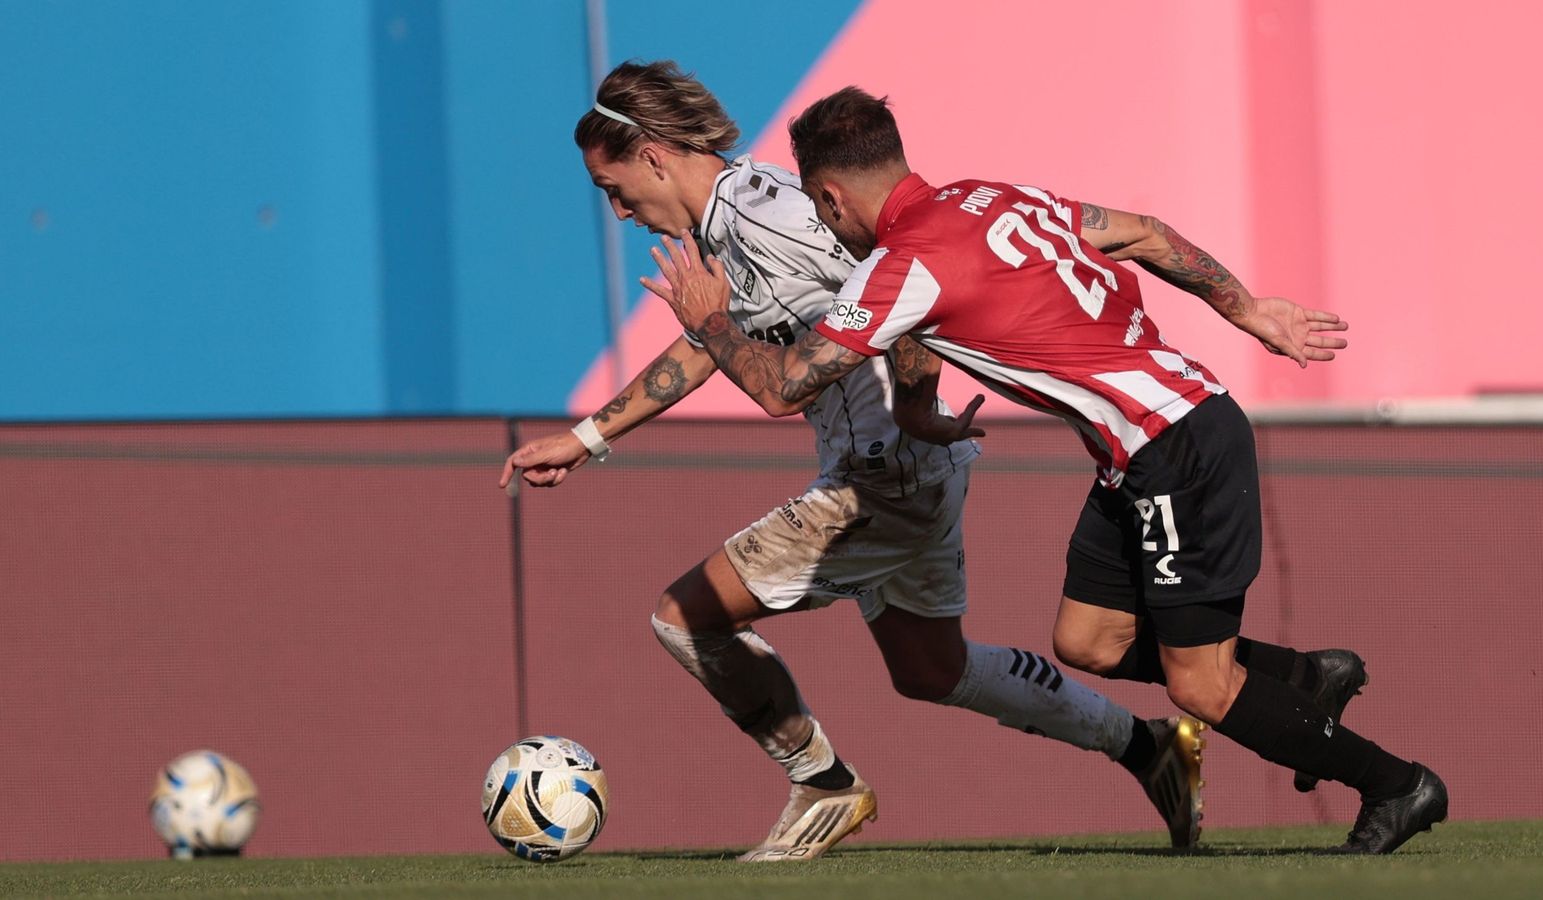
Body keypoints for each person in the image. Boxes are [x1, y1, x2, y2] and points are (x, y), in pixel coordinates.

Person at [645, 85, 1448, 855]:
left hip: (1177, 446)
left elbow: (786, 387)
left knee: (1198, 687)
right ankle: (1306, 677)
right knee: (1088, 641)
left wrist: (712, 322)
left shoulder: (899, 267)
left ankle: (1396, 783)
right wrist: (1249, 310)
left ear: (829, 199)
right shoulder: (995, 199)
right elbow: (1146, 233)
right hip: (1139, 449)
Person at [502, 60, 1210, 861]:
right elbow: (713, 339)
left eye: (615, 187)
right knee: (931, 668)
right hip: (907, 468)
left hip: (884, 476)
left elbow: (906, 284)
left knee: (686, 616)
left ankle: (823, 785)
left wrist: (912, 408)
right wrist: (588, 436)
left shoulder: (769, 214)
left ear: (656, 154)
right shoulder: (733, 221)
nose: (621, 210)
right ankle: (1150, 749)